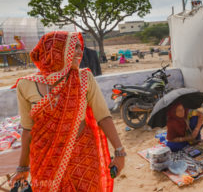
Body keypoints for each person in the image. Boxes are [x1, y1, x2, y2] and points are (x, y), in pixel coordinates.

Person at [10, 31, 125, 191]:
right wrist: (23, 167)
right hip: (45, 158)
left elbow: (103, 117)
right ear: (55, 51)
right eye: (73, 47)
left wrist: (119, 152)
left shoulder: (84, 78)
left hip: (83, 153)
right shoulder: (25, 85)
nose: (79, 51)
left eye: (79, 47)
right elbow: (28, 129)